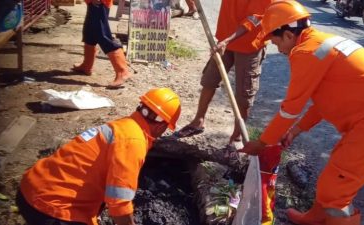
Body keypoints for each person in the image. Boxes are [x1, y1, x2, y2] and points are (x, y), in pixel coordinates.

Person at [238, 1, 364, 224]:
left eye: (275, 41)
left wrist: (262, 143)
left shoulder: (306, 52)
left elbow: (290, 109)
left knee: (336, 191)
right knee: (335, 172)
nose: (278, 49)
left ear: (288, 35)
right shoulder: (320, 43)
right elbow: (325, 100)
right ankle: (316, 219)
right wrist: (297, 129)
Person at [16, 88, 181, 225]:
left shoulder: (124, 126)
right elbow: (119, 203)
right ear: (162, 126)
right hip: (50, 208)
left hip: (31, 187)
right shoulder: (133, 141)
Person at [175, 0, 272, 145]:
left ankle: (236, 137)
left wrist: (228, 40)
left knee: (244, 95)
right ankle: (198, 121)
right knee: (209, 80)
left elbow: (254, 19)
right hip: (224, 40)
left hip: (250, 46)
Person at [72, 0, 131, 88]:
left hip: (99, 3)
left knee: (103, 36)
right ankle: (87, 65)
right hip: (93, 3)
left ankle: (122, 71)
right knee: (89, 32)